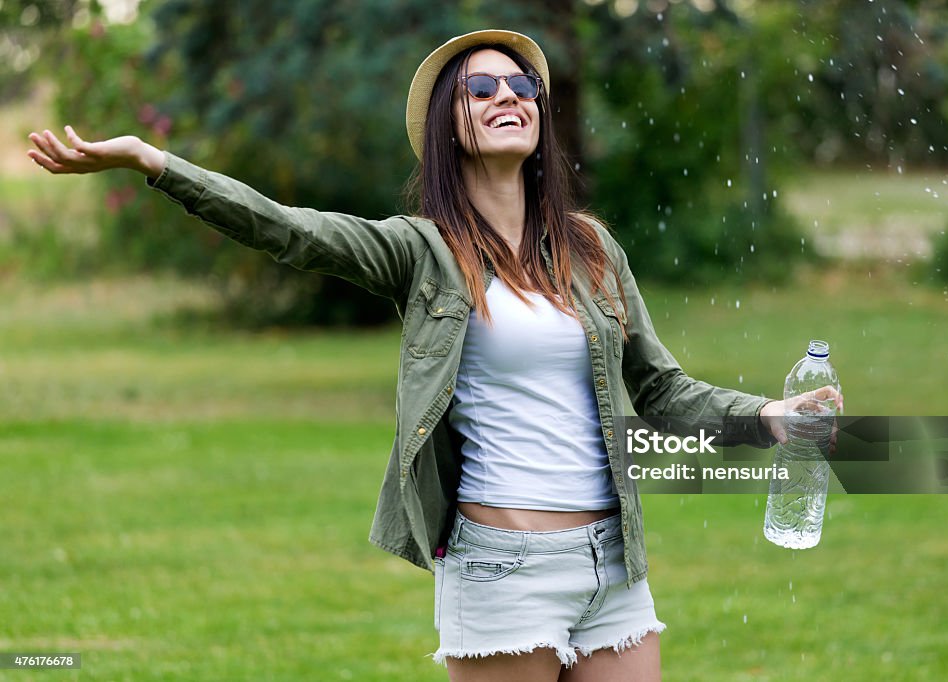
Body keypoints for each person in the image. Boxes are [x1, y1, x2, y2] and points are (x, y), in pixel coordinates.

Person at [28, 29, 840, 682]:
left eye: (522, 85)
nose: (507, 96)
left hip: (615, 567)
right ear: (451, 125)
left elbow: (660, 387)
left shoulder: (590, 249)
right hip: (502, 568)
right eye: (480, 89)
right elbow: (289, 229)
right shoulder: (420, 252)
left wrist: (768, 415)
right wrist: (156, 163)